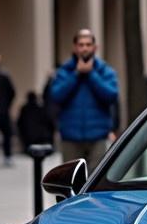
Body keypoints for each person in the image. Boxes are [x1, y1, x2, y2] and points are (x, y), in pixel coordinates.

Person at [48, 28, 119, 165]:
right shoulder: (65, 71)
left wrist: (91, 74)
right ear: (75, 47)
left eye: (88, 44)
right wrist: (76, 74)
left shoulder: (105, 71)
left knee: (95, 180)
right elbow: (56, 96)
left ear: (95, 47)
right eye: (81, 45)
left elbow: (111, 95)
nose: (84, 48)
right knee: (72, 181)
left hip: (98, 136)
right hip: (70, 136)